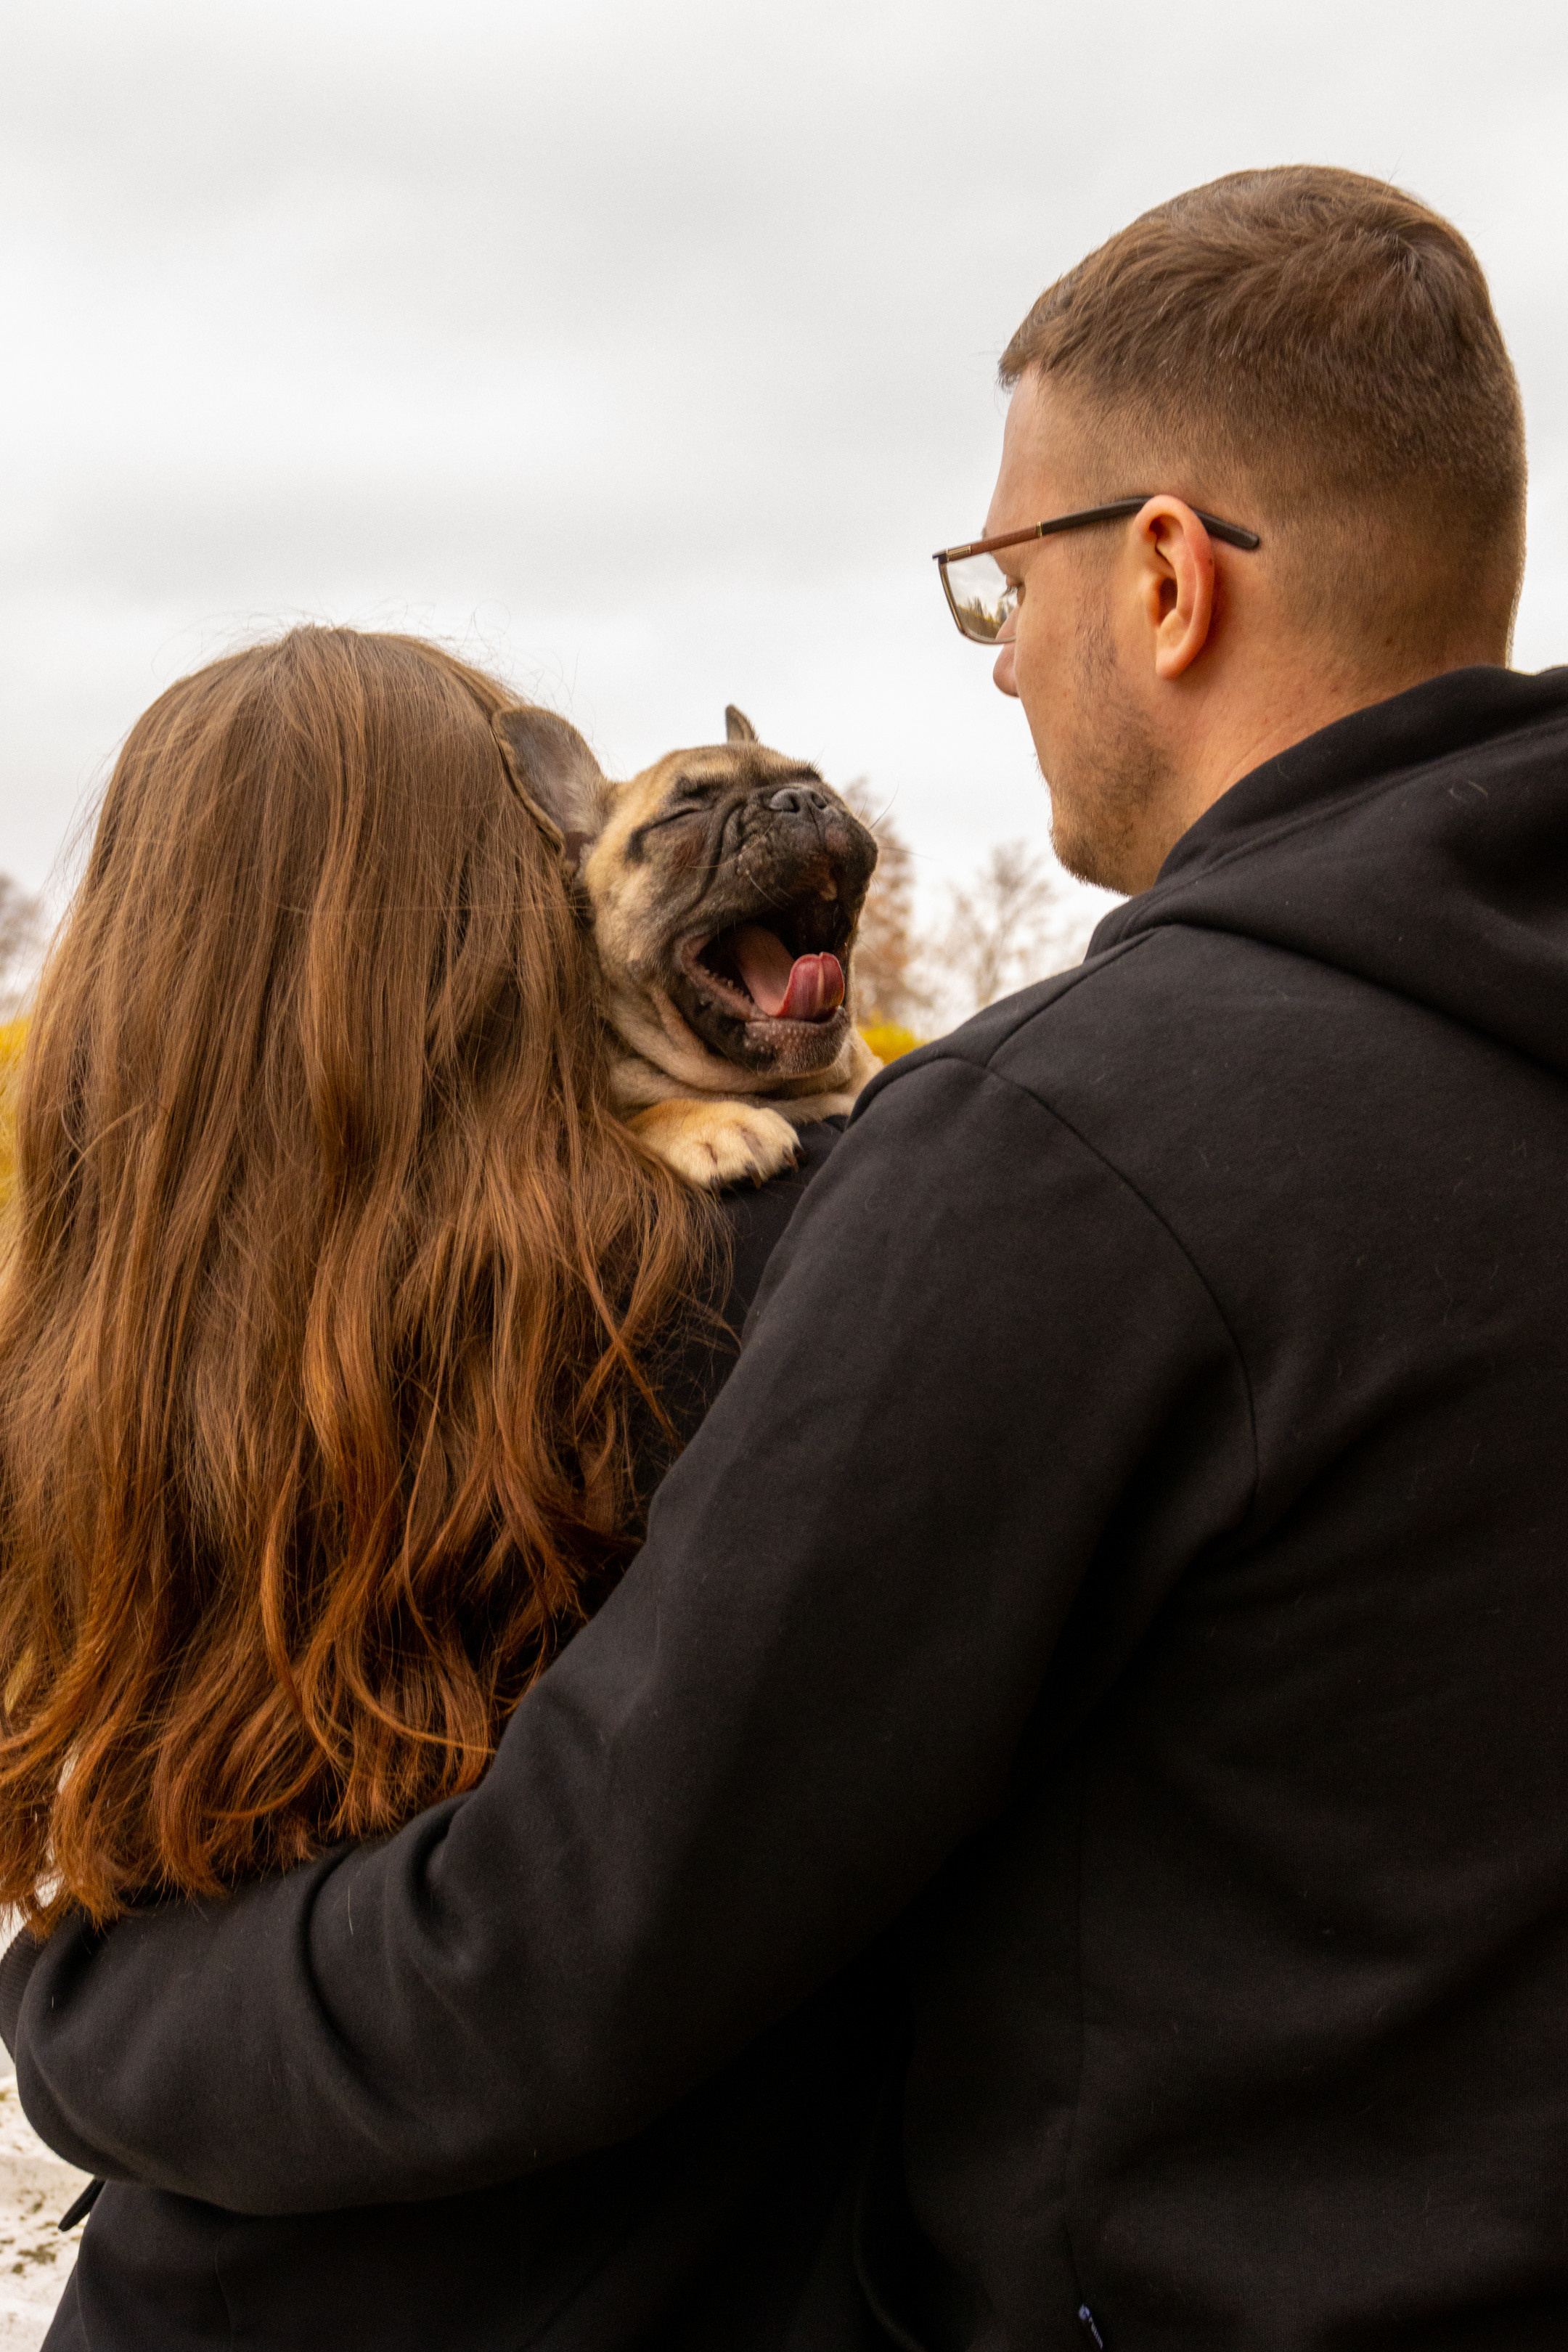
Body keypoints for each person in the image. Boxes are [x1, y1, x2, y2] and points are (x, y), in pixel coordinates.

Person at [9, 162, 1568, 2349]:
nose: (1003, 658)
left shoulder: (1071, 1157)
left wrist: (88, 2016)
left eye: (995, 588)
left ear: (1164, 578)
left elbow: (573, 1938)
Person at [0, 626, 890, 2349]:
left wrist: (75, 2022)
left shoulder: (93, 1368)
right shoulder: (760, 1283)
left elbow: (118, 1874)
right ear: (519, 932)